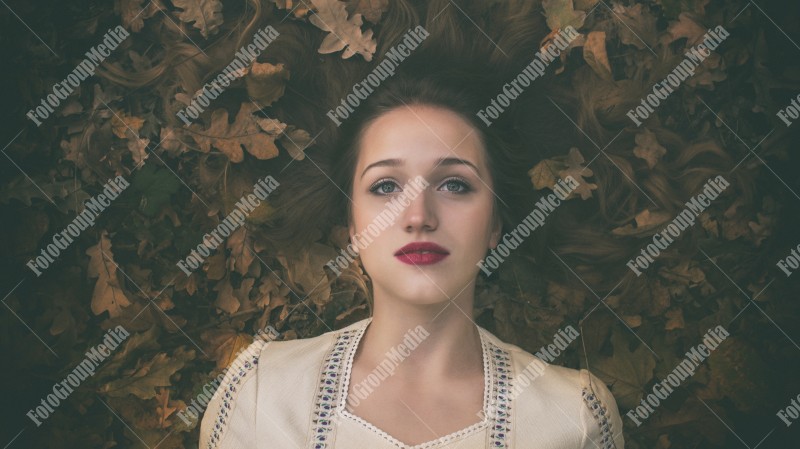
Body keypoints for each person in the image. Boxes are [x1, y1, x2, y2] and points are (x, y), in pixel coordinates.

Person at [197, 34, 625, 447]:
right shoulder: (260, 395)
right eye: (385, 187)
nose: (419, 217)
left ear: (495, 223)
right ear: (352, 223)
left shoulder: (572, 416)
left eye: (455, 185)